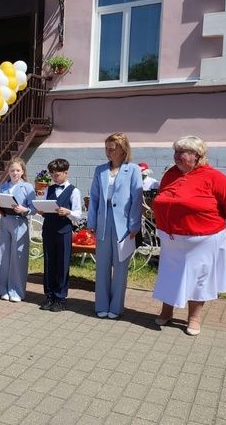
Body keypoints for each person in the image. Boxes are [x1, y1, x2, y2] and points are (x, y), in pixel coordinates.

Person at [151, 136, 226, 336]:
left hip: (203, 239)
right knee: (169, 276)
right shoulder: (170, 174)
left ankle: (194, 318)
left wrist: (221, 217)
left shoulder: (212, 176)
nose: (177, 156)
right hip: (172, 239)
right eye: (176, 151)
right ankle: (166, 311)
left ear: (197, 156)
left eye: (182, 152)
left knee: (200, 279)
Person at [87, 133, 143, 319]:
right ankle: (101, 304)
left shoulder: (133, 169)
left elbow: (136, 199)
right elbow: (94, 198)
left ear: (123, 150)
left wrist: (134, 224)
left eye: (112, 149)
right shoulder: (100, 170)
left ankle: (116, 307)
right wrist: (91, 222)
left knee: (120, 268)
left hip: (124, 224)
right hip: (103, 221)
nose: (108, 152)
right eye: (106, 148)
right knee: (102, 266)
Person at [39, 158, 82, 312]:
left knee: (62, 265)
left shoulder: (74, 191)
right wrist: (41, 210)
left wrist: (68, 212)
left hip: (64, 231)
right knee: (49, 263)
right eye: (52, 175)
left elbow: (78, 214)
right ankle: (49, 296)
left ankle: (60, 298)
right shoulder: (48, 190)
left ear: (65, 173)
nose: (54, 178)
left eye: (57, 175)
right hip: (48, 230)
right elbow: (43, 206)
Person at [0, 156, 35, 302]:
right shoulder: (3, 186)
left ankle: (16, 291)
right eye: (12, 170)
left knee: (18, 257)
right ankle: (2, 289)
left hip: (20, 223)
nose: (15, 173)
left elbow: (34, 208)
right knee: (2, 255)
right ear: (8, 172)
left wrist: (25, 209)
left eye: (17, 170)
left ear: (22, 171)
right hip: (5, 222)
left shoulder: (27, 187)